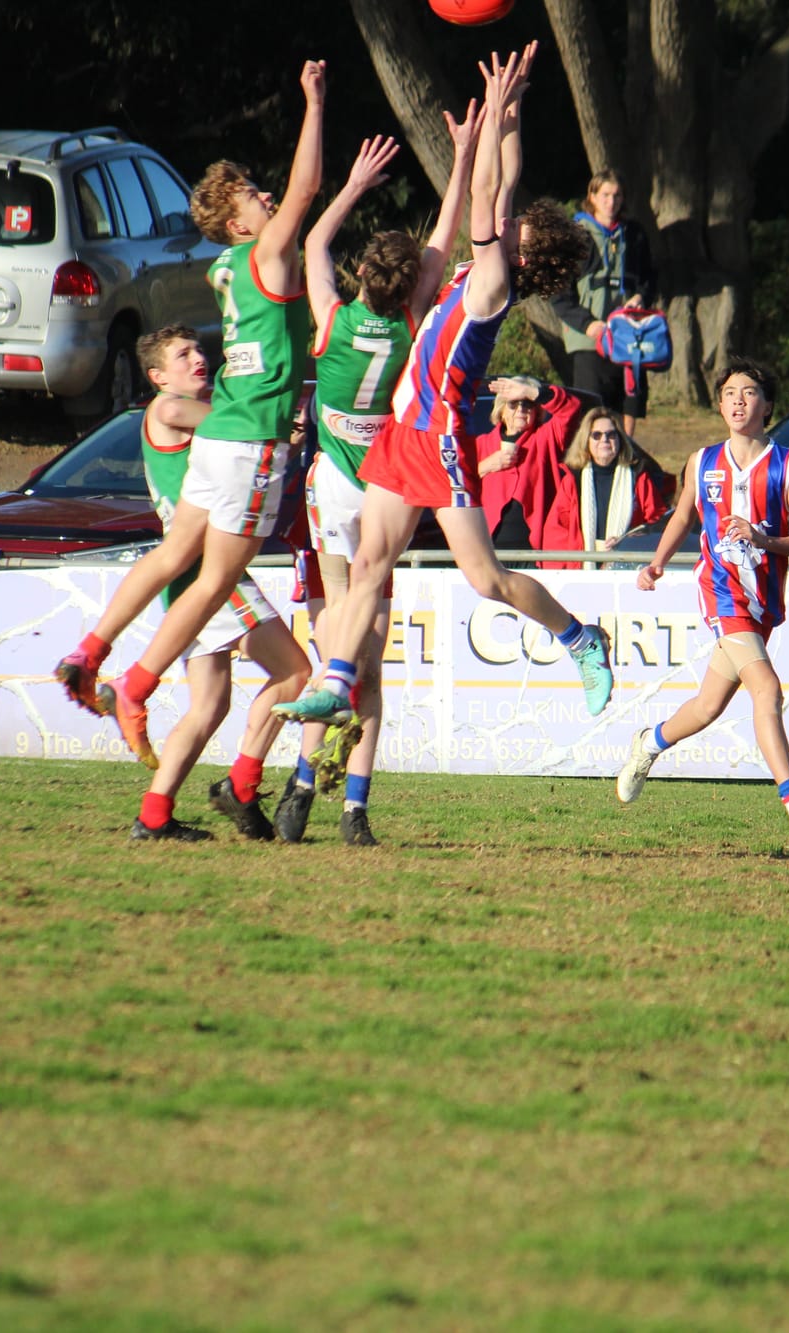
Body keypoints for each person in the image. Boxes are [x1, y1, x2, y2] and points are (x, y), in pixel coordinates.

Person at [273, 43, 614, 732]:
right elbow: (503, 185)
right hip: (403, 435)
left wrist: (493, 116)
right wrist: (508, 113)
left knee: (485, 579)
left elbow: (487, 196)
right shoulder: (487, 263)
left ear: (522, 251)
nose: (506, 220)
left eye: (515, 229)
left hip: (440, 438)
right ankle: (336, 682)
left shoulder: (493, 278)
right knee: (369, 562)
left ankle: (580, 637)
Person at [52, 59, 326, 769]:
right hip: (251, 437)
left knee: (177, 556)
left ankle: (92, 651)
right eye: (253, 195)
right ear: (237, 222)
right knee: (213, 582)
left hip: (223, 433)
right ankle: (136, 685)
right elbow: (306, 190)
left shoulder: (224, 267)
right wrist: (314, 103)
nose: (268, 197)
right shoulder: (264, 254)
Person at [276, 113, 481, 847]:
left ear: (363, 275)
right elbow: (444, 241)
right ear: (409, 286)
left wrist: (356, 184)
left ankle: (302, 785)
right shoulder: (412, 323)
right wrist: (462, 157)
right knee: (368, 662)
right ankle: (353, 807)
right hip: (386, 489)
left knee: (336, 647)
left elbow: (313, 244)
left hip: (332, 490)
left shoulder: (331, 320)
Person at [614, 356, 789, 841]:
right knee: (767, 690)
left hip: (761, 604)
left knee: (708, 705)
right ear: (719, 405)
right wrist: (657, 562)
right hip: (721, 593)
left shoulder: (788, 465)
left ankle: (648, 744)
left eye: (749, 393)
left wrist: (763, 538)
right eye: (730, 393)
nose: (738, 401)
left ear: (767, 406)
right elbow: (683, 515)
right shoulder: (703, 461)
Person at [122, 326, 313, 842]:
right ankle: (242, 784)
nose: (197, 359)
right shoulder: (168, 408)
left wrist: (278, 440)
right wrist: (273, 417)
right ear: (158, 376)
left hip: (190, 577)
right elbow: (235, 424)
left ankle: (154, 816)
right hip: (211, 574)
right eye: (182, 355)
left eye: (198, 350)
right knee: (295, 672)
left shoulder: (199, 415)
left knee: (208, 706)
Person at [549, 169, 658, 434]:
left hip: (629, 335)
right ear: (593, 196)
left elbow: (649, 278)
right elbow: (559, 293)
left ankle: (626, 450)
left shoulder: (634, 234)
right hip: (590, 338)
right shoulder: (575, 234)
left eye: (617, 195)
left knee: (630, 402)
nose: (612, 202)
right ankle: (590, 455)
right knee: (592, 407)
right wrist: (587, 324)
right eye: (606, 195)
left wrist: (641, 297)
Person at [474, 374, 586, 556]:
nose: (521, 409)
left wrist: (530, 391)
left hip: (536, 550)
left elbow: (571, 409)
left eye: (527, 404)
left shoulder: (546, 437)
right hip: (489, 549)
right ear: (501, 410)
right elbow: (453, 486)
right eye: (513, 403)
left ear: (536, 410)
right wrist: (485, 466)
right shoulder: (481, 444)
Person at [559, 407, 669, 561]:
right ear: (586, 440)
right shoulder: (572, 480)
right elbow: (558, 528)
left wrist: (628, 540)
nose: (604, 440)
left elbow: (656, 522)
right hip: (581, 564)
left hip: (626, 562)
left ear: (620, 440)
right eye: (596, 435)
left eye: (611, 435)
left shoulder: (638, 477)